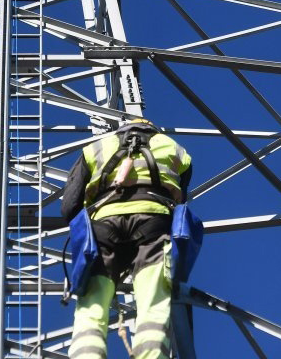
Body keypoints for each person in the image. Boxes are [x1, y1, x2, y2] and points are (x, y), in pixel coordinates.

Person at [62, 117, 193, 359]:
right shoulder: (176, 149)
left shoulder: (96, 148)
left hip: (103, 225)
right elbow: (181, 204)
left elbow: (69, 206)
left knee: (92, 303)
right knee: (153, 300)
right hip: (154, 222)